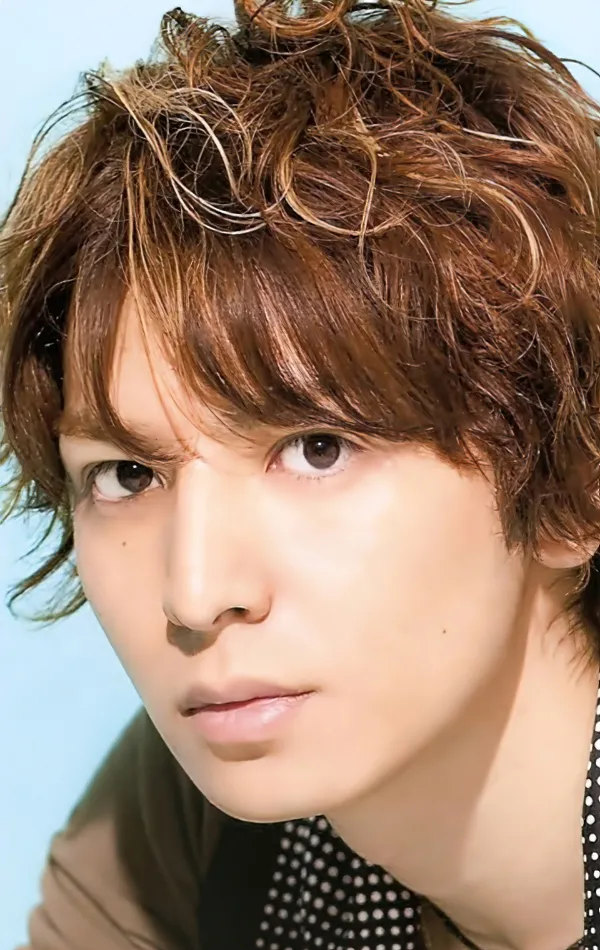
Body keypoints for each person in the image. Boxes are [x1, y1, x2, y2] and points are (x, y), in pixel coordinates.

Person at [2, 0, 600, 946]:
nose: (196, 595)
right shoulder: (192, 824)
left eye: (318, 449)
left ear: (573, 481)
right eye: (126, 475)